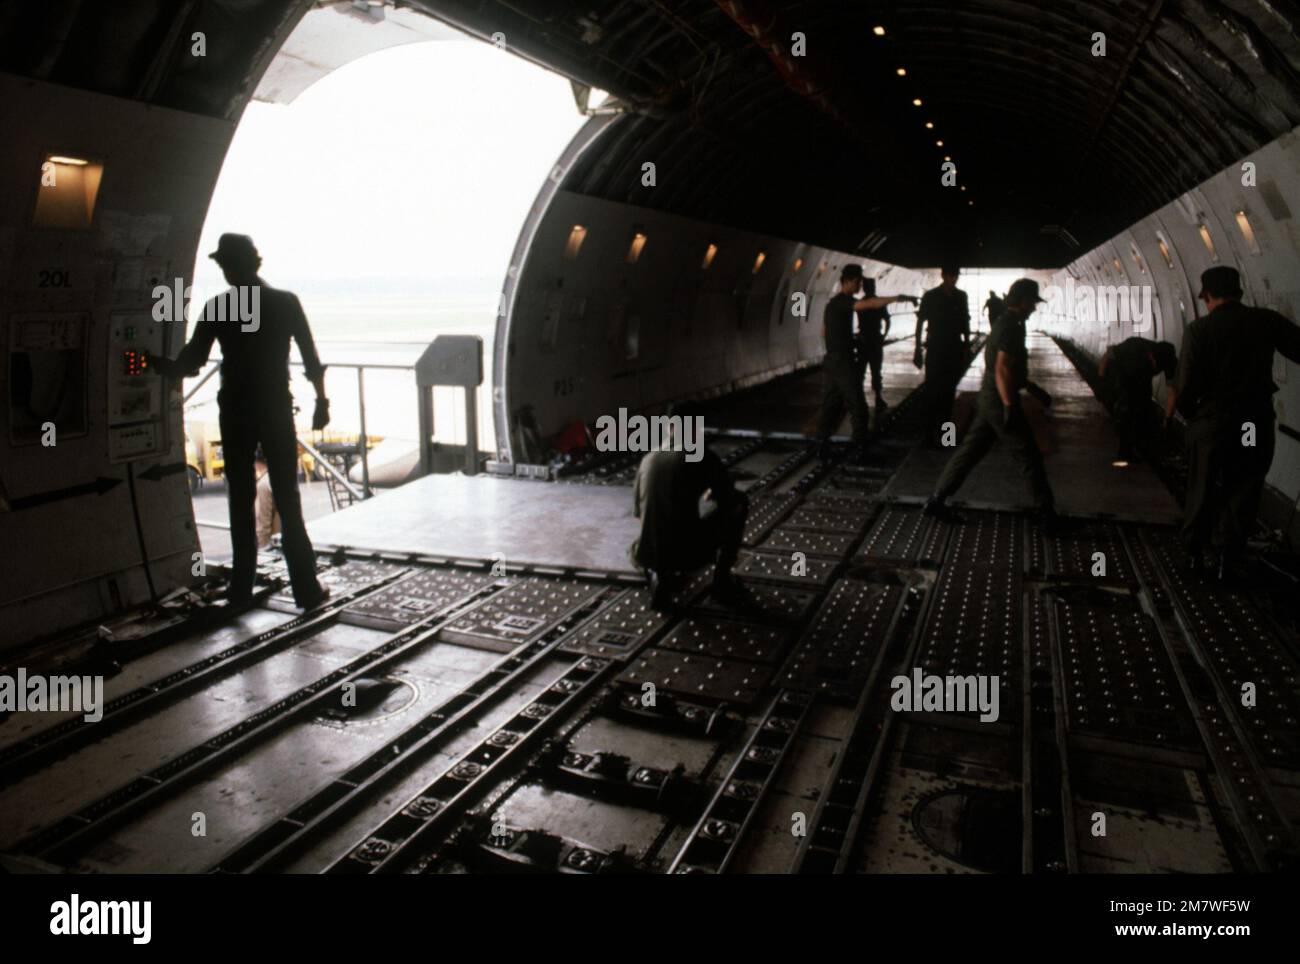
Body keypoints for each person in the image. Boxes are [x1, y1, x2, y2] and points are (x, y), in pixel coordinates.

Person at [147, 234, 330, 610]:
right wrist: (322, 402)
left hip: (235, 411)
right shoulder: (285, 302)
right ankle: (306, 589)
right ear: (256, 262)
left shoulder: (219, 307)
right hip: (276, 409)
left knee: (240, 498)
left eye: (225, 265)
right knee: (288, 498)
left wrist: (155, 364)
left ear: (232, 267)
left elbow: (190, 362)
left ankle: (241, 590)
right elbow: (311, 359)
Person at [1171, 266, 1300, 581]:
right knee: (1244, 483)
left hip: (1213, 422)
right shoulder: (1265, 321)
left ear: (1208, 296)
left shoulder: (1199, 330)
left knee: (1202, 485)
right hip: (1251, 424)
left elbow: (1185, 386)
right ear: (1239, 292)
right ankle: (1227, 560)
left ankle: (1193, 557)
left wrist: (1193, 418)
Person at [924, 279, 1061, 528]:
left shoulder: (1007, 322)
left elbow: (1009, 369)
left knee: (969, 452)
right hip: (999, 400)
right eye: (1032, 302)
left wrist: (1032, 388)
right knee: (1028, 455)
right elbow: (1001, 369)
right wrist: (1009, 405)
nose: (1034, 307)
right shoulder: (1011, 326)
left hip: (990, 398)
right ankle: (1047, 515)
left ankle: (936, 500)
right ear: (1022, 300)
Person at [630, 404, 749, 611]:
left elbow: (640, 515)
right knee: (741, 502)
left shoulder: (648, 458)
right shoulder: (702, 455)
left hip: (645, 553)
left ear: (669, 428)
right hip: (688, 555)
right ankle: (722, 582)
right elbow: (729, 501)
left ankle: (659, 574)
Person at [818, 264, 915, 452]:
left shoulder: (833, 304)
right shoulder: (844, 301)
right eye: (857, 281)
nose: (860, 285)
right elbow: (868, 304)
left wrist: (844, 340)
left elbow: (824, 332)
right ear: (847, 281)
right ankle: (859, 448)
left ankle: (822, 444)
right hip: (842, 362)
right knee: (858, 405)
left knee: (831, 403)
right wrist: (898, 298)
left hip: (832, 360)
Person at [915, 265, 972, 445]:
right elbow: (920, 322)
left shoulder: (961, 296)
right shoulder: (930, 296)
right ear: (943, 276)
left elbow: (965, 321)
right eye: (950, 276)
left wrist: (966, 345)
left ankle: (947, 438)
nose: (953, 279)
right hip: (935, 347)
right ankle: (928, 436)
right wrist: (917, 348)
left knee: (948, 395)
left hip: (953, 347)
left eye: (955, 276)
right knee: (931, 393)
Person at [1098, 336, 1177, 464]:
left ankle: (1143, 446)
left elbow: (1172, 391)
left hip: (1142, 377)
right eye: (1153, 363)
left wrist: (1168, 418)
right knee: (1127, 410)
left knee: (1143, 407)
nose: (1154, 366)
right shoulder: (1133, 346)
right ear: (1151, 355)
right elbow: (1107, 355)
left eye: (1156, 366)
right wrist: (1101, 381)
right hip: (1121, 373)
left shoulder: (1169, 359)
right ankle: (1125, 451)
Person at [853, 277, 895, 412]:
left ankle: (858, 399)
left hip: (863, 340)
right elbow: (888, 320)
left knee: (861, 371)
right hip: (875, 339)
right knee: (876, 370)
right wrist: (884, 336)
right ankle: (878, 397)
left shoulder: (861, 303)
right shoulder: (879, 303)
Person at [254, 449, 280, 549]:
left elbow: (263, 526)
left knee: (199, 551)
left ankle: (199, 565)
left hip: (274, 545)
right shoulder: (279, 477)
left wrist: (261, 553)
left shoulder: (263, 485)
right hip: (285, 545)